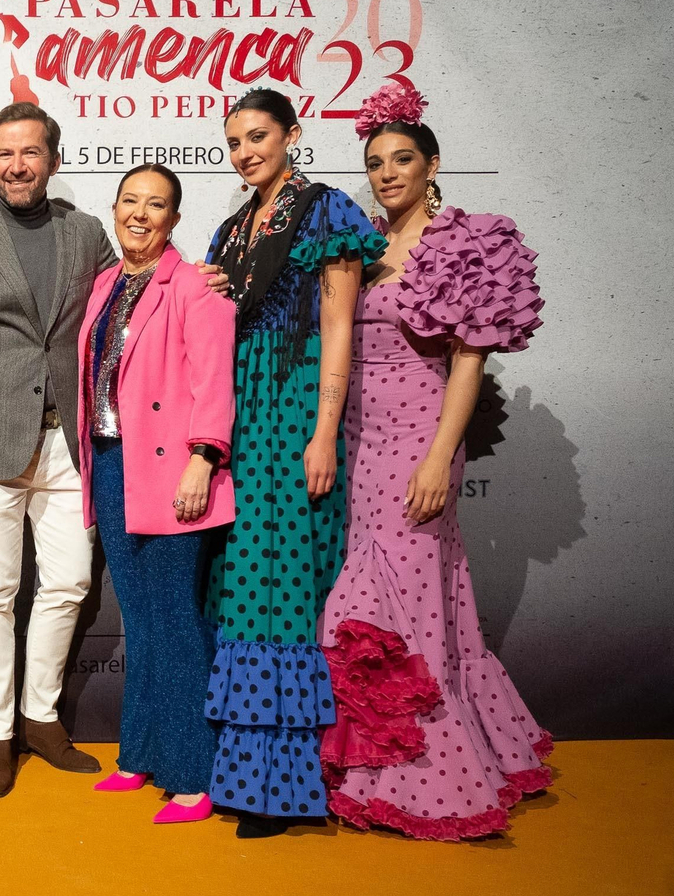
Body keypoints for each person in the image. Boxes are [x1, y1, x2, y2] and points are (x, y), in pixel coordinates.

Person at [318, 83, 551, 840]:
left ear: (432, 164)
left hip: (421, 442)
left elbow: (467, 363)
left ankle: (433, 779)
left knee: (406, 609)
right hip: (361, 444)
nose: (387, 174)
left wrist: (439, 457)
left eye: (401, 160)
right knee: (405, 605)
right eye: (375, 163)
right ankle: (387, 767)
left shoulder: (462, 244)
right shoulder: (363, 246)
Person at [202, 87, 386, 839]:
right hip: (239, 417)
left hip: (296, 407)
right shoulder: (230, 230)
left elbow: (340, 327)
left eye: (258, 136)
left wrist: (323, 431)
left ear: (292, 133)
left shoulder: (326, 212)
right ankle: (238, 770)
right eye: (234, 142)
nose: (245, 152)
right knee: (241, 585)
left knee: (284, 587)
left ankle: (281, 787)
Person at [0, 101, 117, 799]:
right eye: (4, 154)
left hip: (68, 443)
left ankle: (41, 719)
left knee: (66, 584)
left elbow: (130, 298)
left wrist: (193, 284)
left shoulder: (86, 233)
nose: (16, 166)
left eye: (29, 152)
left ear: (53, 160)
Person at [78, 164, 236, 824]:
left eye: (156, 204)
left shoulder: (195, 285)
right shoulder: (107, 282)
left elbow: (214, 381)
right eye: (130, 201)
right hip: (113, 464)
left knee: (173, 618)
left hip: (174, 469)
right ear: (114, 208)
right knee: (140, 618)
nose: (139, 214)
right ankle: (139, 755)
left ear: (174, 219)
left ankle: (195, 774)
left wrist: (203, 460)